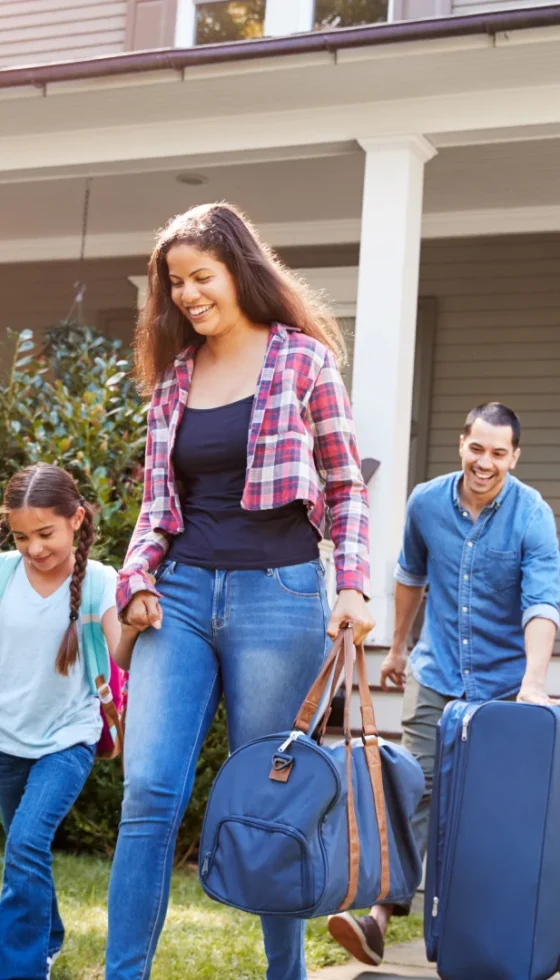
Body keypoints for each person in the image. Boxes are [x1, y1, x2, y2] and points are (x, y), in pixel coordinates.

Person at [105, 202, 373, 980]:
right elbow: (157, 506)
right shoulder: (174, 380)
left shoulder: (303, 361)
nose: (187, 295)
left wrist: (351, 586)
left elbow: (346, 485)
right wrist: (135, 583)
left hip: (279, 597)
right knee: (149, 791)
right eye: (174, 283)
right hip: (181, 598)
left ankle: (283, 972)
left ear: (238, 270)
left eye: (200, 277)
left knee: (269, 803)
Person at [328, 401, 560, 967]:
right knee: (417, 787)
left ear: (515, 457)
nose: (485, 462)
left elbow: (541, 602)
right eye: (476, 448)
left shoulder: (532, 515)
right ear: (462, 444)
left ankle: (487, 929)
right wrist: (400, 648)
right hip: (437, 676)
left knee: (496, 810)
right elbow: (410, 575)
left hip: (505, 687)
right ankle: (381, 917)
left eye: (498, 453)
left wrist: (534, 681)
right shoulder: (427, 502)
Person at [0, 463, 135, 980]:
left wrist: (135, 620)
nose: (34, 548)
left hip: (66, 739)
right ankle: (50, 933)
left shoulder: (101, 581)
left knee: (26, 843)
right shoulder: (6, 573)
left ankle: (20, 969)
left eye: (45, 533)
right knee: (23, 849)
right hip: (7, 742)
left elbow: (122, 652)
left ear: (77, 519)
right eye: (20, 535)